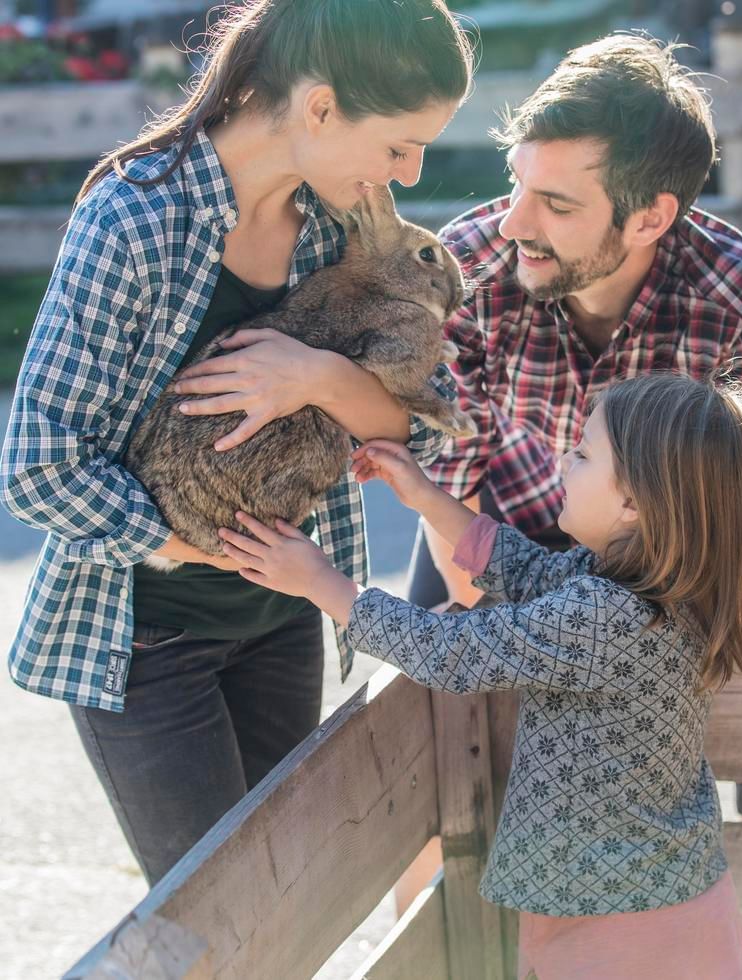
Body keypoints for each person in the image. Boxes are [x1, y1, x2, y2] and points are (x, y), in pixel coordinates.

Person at [0, 0, 472, 885]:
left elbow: (423, 443)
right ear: (322, 108)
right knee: (213, 919)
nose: (404, 175)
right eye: (400, 145)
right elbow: (37, 468)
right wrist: (200, 547)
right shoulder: (135, 222)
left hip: (282, 621)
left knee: (284, 903)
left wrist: (320, 380)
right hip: (144, 646)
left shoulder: (336, 228)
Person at [409, 33, 742, 824]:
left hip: (693, 524)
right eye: (518, 184)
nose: (512, 224)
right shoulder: (464, 273)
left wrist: (653, 670)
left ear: (651, 218)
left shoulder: (740, 305)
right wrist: (513, 661)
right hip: (501, 508)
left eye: (558, 205)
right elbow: (449, 487)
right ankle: (445, 925)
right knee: (447, 757)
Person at [218, 372, 742, 979]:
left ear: (634, 503)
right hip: (647, 899)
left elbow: (454, 653)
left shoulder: (609, 615)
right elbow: (528, 571)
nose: (564, 461)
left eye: (583, 454)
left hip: (622, 929)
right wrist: (426, 496)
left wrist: (322, 584)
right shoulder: (652, 592)